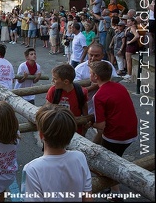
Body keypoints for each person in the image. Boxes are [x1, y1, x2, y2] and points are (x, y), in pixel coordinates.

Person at [21, 104, 92, 202]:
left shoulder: (32, 169)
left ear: (41, 135)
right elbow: (87, 197)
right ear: (71, 135)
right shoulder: (79, 158)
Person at [89, 61, 138, 201]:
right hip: (131, 132)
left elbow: (101, 126)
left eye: (91, 73)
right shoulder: (120, 86)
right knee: (116, 157)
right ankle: (112, 188)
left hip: (115, 136)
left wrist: (91, 123)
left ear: (96, 76)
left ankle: (115, 193)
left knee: (107, 163)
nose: (90, 75)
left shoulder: (98, 96)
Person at [44, 64, 89, 136]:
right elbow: (47, 109)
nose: (52, 80)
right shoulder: (53, 91)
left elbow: (84, 110)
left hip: (75, 129)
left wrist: (84, 129)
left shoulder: (81, 92)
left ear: (66, 82)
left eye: (55, 79)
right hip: (57, 128)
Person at [122, 18, 140, 82]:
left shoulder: (133, 28)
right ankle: (128, 73)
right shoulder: (130, 28)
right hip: (129, 45)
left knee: (129, 61)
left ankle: (129, 75)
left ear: (133, 22)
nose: (127, 23)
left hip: (131, 46)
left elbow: (137, 36)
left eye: (129, 22)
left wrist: (130, 42)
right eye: (127, 22)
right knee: (128, 60)